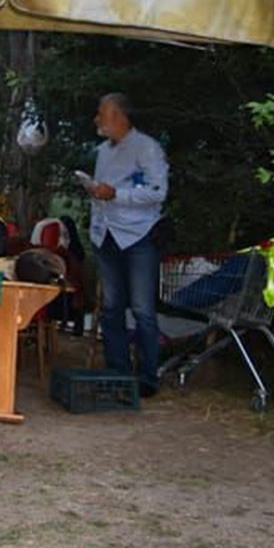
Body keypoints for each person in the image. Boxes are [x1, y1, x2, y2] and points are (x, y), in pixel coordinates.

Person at [82, 92, 169, 397]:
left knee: (143, 308)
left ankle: (147, 377)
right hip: (107, 235)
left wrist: (115, 194)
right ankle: (117, 370)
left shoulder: (147, 148)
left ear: (118, 116)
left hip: (138, 236)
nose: (97, 119)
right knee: (110, 307)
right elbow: (104, 192)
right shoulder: (104, 151)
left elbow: (158, 192)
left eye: (101, 113)